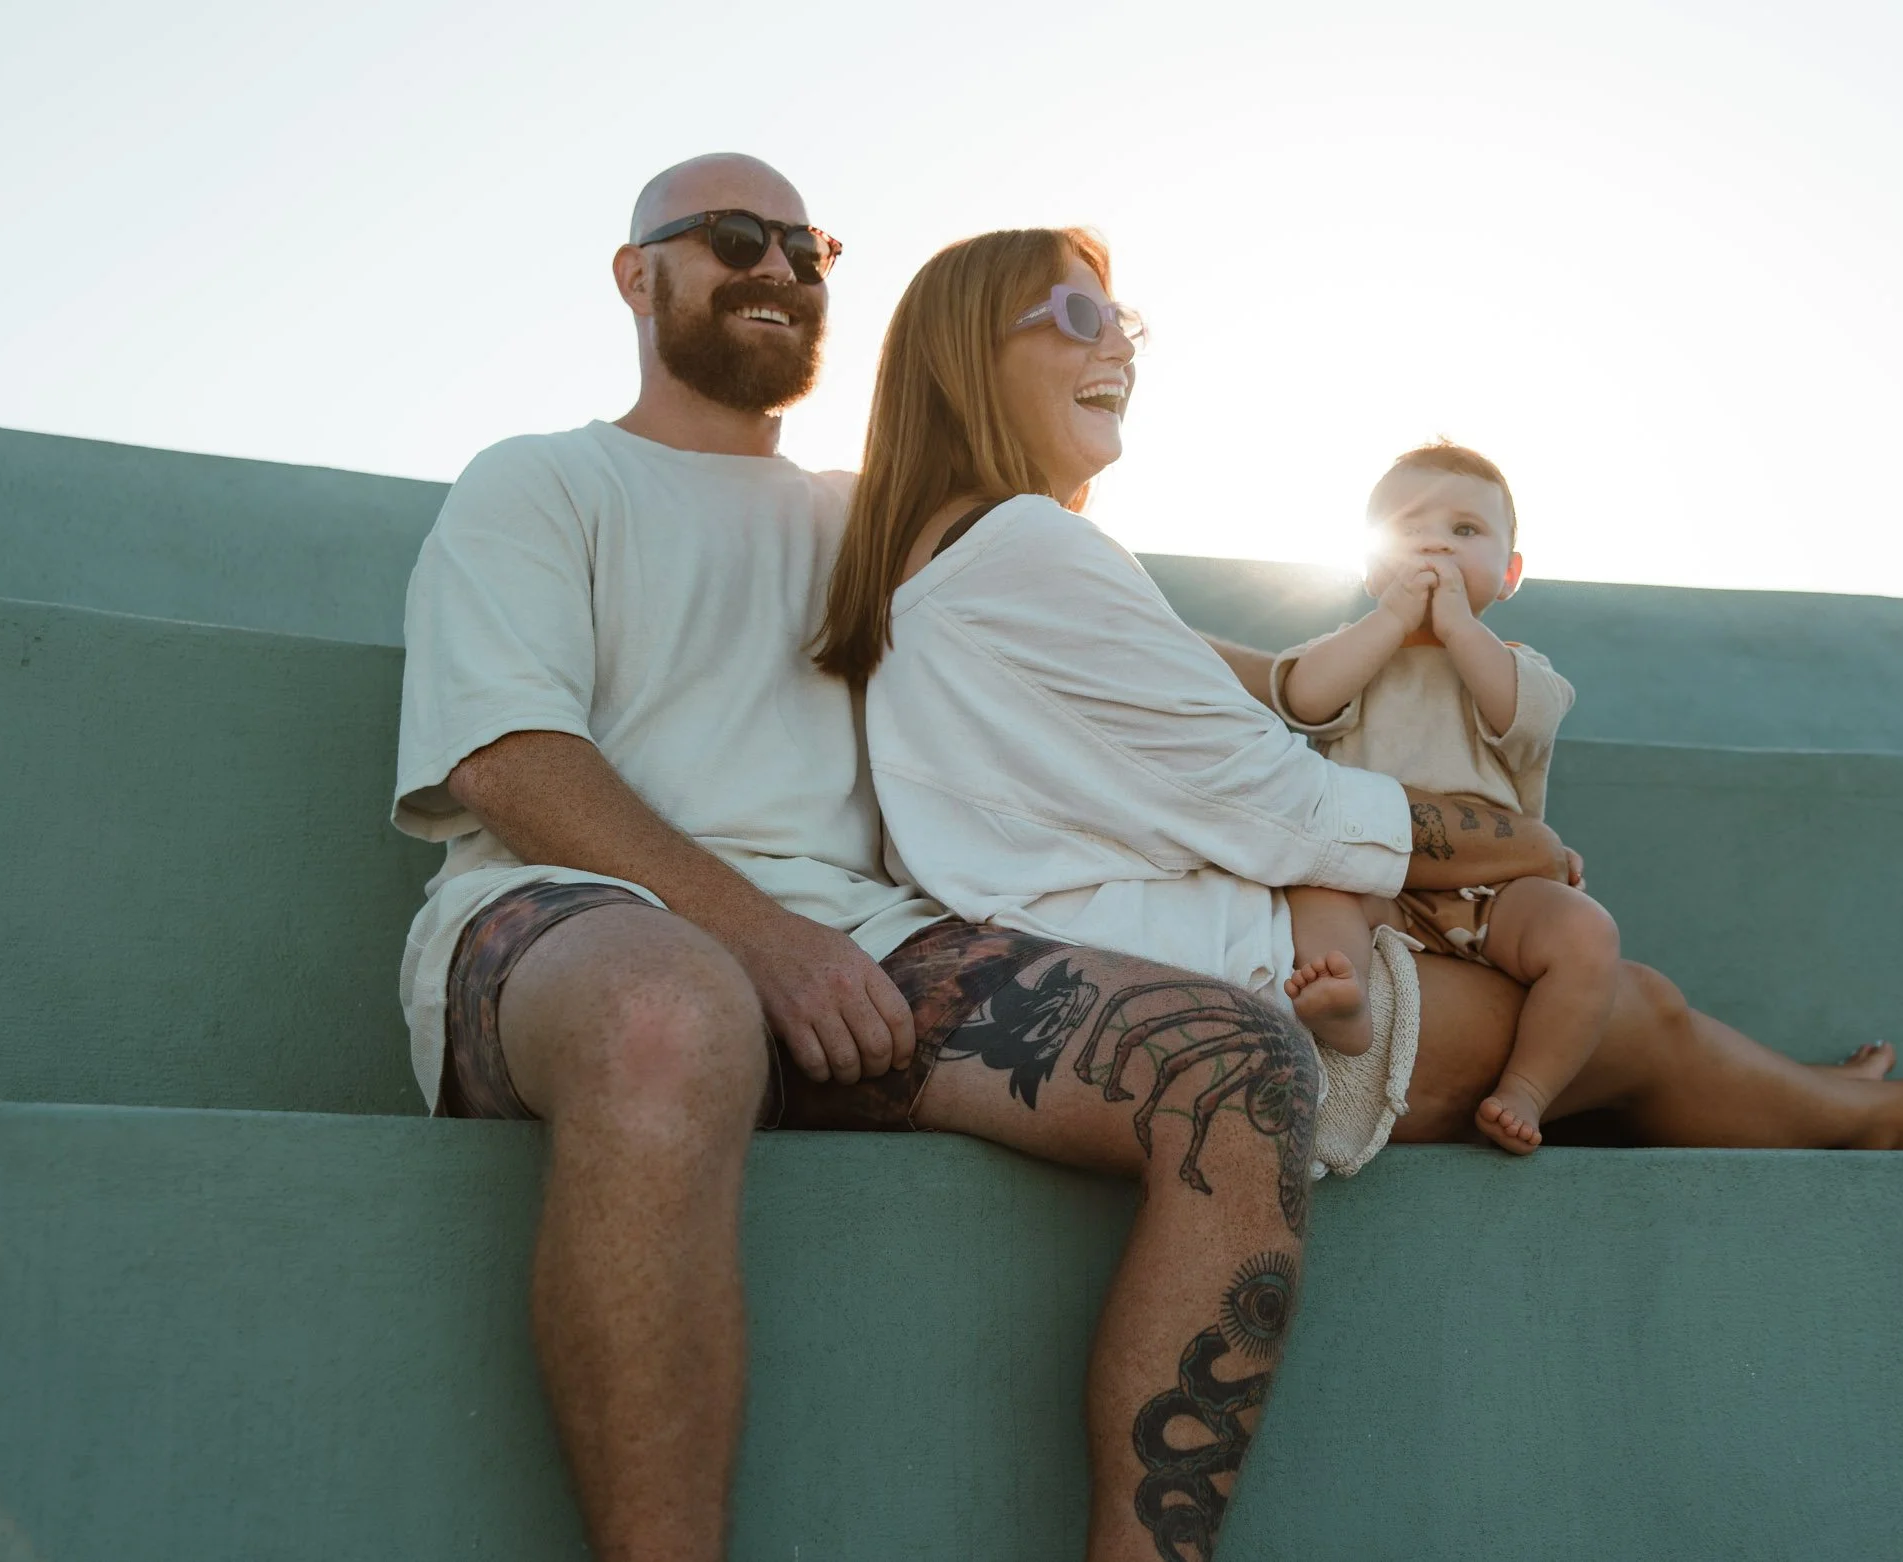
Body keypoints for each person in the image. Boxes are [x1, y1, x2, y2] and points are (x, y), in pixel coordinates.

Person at [391, 154, 1516, 1562]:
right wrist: (763, 939)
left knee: (1240, 1063)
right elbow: (510, 759)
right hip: (580, 923)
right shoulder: (545, 479)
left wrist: (1353, 701)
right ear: (638, 274)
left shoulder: (888, 520)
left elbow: (1192, 675)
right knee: (673, 1016)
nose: (780, 271)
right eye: (735, 238)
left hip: (875, 947)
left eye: (811, 250)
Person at [819, 224, 1903, 1190]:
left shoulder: (948, 560)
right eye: (1081, 314)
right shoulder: (1029, 544)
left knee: (1623, 1014)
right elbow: (1275, 787)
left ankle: (1831, 1101)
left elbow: (1229, 678)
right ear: (967, 349)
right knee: (1632, 1009)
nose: (1122, 346)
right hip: (1229, 987)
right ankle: (1875, 1118)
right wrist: (1508, 837)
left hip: (1115, 961)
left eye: (1126, 318)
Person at [1275, 438, 1613, 1157]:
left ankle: (1527, 1086)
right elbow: (1304, 697)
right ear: (1370, 566)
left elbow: (1519, 716)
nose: (1434, 545)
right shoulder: (1356, 649)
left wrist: (1458, 626)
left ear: (1510, 573)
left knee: (1588, 933)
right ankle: (1348, 1003)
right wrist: (1392, 621)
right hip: (1372, 877)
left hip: (1491, 890)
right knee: (1313, 894)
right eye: (1408, 529)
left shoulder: (1520, 667)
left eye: (1464, 531)